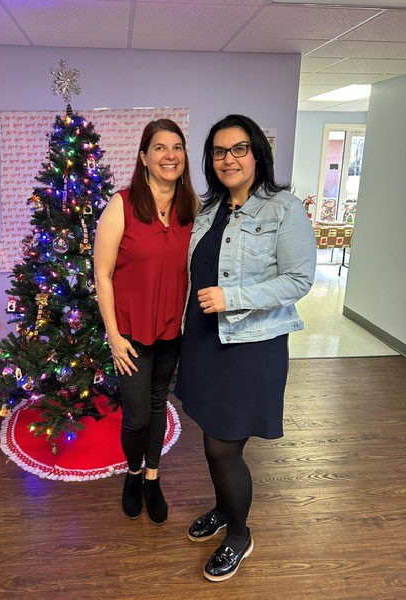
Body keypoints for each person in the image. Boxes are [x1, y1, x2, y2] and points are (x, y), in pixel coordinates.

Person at [174, 114, 316, 581]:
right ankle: (222, 508)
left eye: (238, 149)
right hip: (203, 339)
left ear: (257, 153)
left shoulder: (283, 208)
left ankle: (239, 535)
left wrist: (232, 297)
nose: (228, 159)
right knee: (212, 434)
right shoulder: (209, 209)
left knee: (222, 447)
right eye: (218, 151)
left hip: (250, 344)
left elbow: (298, 280)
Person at [94, 119, 197, 525]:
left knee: (158, 405)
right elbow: (102, 273)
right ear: (144, 157)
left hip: (171, 331)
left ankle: (152, 479)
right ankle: (132, 475)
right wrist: (114, 337)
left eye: (177, 147)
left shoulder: (192, 208)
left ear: (184, 156)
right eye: (159, 148)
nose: (169, 155)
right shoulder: (122, 204)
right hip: (131, 335)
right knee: (137, 416)